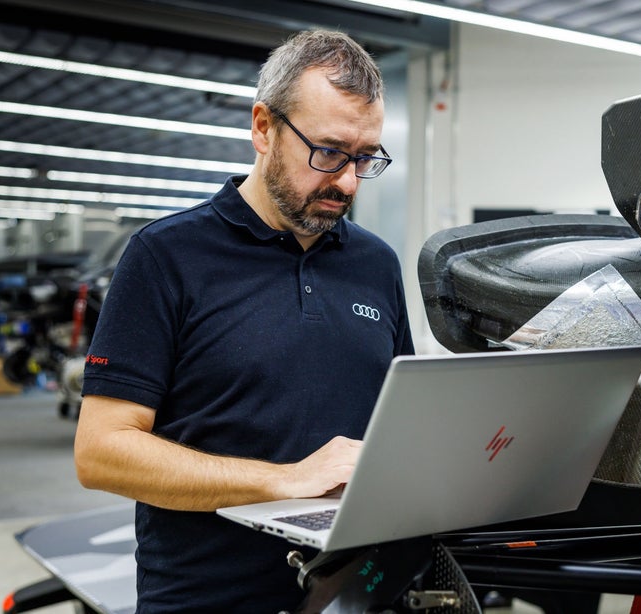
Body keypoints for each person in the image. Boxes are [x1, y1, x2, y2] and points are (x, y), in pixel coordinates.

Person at [74, 29, 414, 613]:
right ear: (263, 127)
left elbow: (397, 424)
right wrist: (282, 479)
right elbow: (101, 452)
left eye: (365, 158)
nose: (347, 182)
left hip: (355, 591)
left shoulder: (376, 263)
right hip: (208, 598)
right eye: (329, 153)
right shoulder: (166, 256)